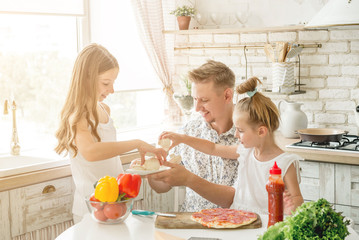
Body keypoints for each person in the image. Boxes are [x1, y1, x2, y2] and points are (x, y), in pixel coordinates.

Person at [154, 76, 304, 215]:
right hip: (238, 218)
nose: (236, 135)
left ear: (261, 131)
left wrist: (291, 206)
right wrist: (183, 138)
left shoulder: (286, 163)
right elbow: (212, 148)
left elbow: (296, 199)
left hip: (266, 221)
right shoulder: (246, 152)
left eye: (240, 130)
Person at [54, 43, 167, 223]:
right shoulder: (78, 116)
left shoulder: (104, 109)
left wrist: (132, 170)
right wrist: (136, 143)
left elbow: (108, 157)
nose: (112, 90)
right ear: (87, 79)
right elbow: (90, 152)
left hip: (116, 202)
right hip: (91, 207)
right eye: (106, 83)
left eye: (113, 83)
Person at [148, 60, 240, 212]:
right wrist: (151, 173)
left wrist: (188, 179)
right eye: (195, 99)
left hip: (236, 227)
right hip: (191, 226)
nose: (197, 108)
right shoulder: (189, 131)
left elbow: (234, 199)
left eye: (204, 100)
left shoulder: (248, 135)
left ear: (227, 95)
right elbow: (163, 187)